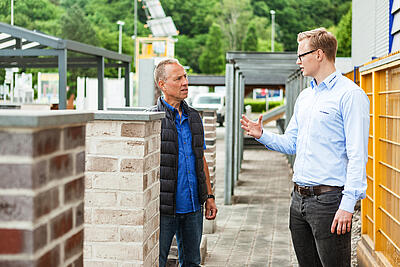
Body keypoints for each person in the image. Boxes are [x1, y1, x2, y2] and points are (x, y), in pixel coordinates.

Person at [241, 28, 369, 267]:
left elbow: (358, 154)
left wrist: (348, 205)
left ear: (319, 54)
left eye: (302, 55)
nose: (297, 61)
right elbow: (291, 143)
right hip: (298, 201)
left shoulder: (350, 95)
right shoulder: (305, 97)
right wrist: (262, 135)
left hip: (330, 202)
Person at [149, 58, 218, 267]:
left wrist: (209, 196)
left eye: (185, 77)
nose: (185, 82)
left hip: (193, 207)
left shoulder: (195, 117)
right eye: (178, 78)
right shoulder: (153, 120)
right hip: (164, 210)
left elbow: (201, 159)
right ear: (162, 84)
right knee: (157, 262)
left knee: (192, 262)